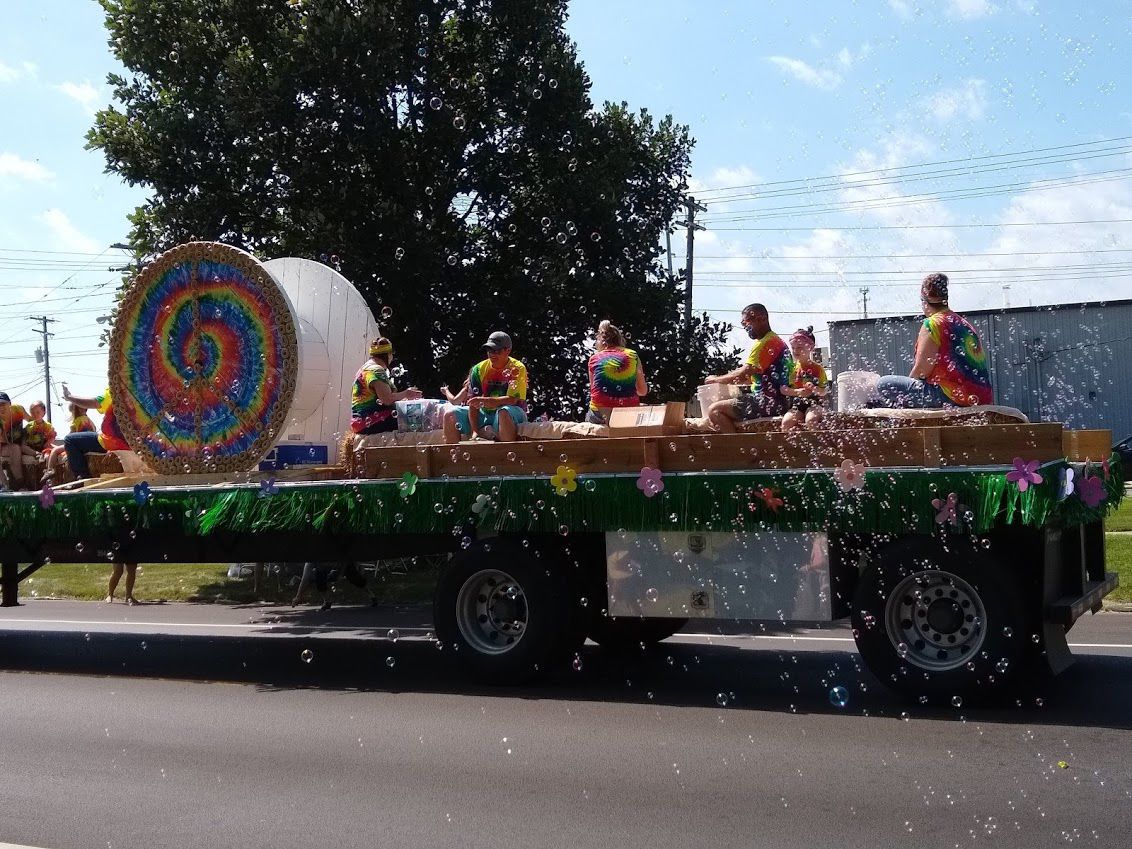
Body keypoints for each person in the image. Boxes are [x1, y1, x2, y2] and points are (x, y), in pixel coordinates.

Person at [875, 273, 993, 409]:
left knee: (883, 384)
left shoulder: (933, 323)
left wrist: (908, 389)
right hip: (981, 397)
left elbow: (922, 371)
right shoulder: (965, 324)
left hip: (950, 396)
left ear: (924, 300)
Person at [704, 304, 793, 433]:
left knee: (714, 410)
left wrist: (714, 380)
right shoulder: (776, 341)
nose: (745, 326)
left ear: (762, 319)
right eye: (743, 323)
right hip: (779, 401)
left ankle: (736, 450)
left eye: (747, 321)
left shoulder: (766, 343)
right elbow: (751, 378)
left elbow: (743, 374)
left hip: (768, 401)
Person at [441, 331, 528, 443]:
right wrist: (475, 431)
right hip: (485, 413)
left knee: (503, 412)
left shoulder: (517, 368)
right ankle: (454, 458)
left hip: (512, 413)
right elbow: (473, 403)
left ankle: (506, 454)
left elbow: (512, 400)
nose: (492, 354)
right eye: (489, 350)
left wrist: (486, 401)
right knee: (450, 414)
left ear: (508, 350)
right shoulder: (478, 369)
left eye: (496, 350)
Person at [351, 337, 422, 435]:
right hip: (374, 422)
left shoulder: (364, 369)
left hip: (362, 423)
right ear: (388, 355)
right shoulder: (376, 370)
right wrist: (406, 393)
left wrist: (403, 399)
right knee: (420, 417)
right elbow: (387, 399)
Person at [60, 384, 130, 479]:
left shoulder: (116, 389)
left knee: (69, 440)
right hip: (133, 442)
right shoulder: (143, 394)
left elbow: (95, 402)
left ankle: (83, 478)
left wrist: (69, 397)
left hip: (114, 441)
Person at [586, 320, 648, 424]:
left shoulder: (594, 359)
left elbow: (595, 391)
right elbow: (642, 391)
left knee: (592, 409)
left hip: (600, 414)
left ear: (600, 341)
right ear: (620, 339)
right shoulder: (632, 355)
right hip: (627, 413)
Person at [780, 327, 828, 431]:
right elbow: (783, 389)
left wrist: (815, 389)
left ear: (810, 347)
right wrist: (797, 392)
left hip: (815, 404)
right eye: (793, 347)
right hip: (797, 406)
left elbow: (824, 391)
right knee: (786, 423)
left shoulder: (818, 369)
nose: (795, 350)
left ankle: (818, 443)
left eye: (800, 347)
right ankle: (795, 446)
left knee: (811, 420)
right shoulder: (791, 368)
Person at [0, 392, 32, 488]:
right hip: (3, 446)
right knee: (15, 448)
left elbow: (32, 422)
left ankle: (20, 483)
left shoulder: (18, 409)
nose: (1, 407)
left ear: (10, 403)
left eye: (3, 404)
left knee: (17, 447)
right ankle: (4, 483)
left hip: (20, 443)